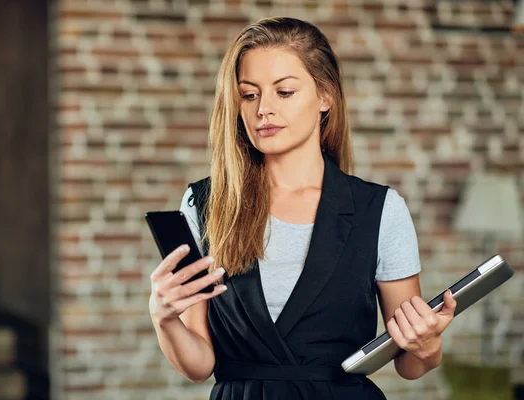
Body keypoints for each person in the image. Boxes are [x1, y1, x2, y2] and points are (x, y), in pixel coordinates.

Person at [149, 17, 457, 399]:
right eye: (249, 95)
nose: (264, 109)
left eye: (284, 92)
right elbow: (199, 365)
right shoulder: (205, 204)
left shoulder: (379, 210)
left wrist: (427, 346)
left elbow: (409, 363)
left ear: (324, 96)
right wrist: (163, 318)